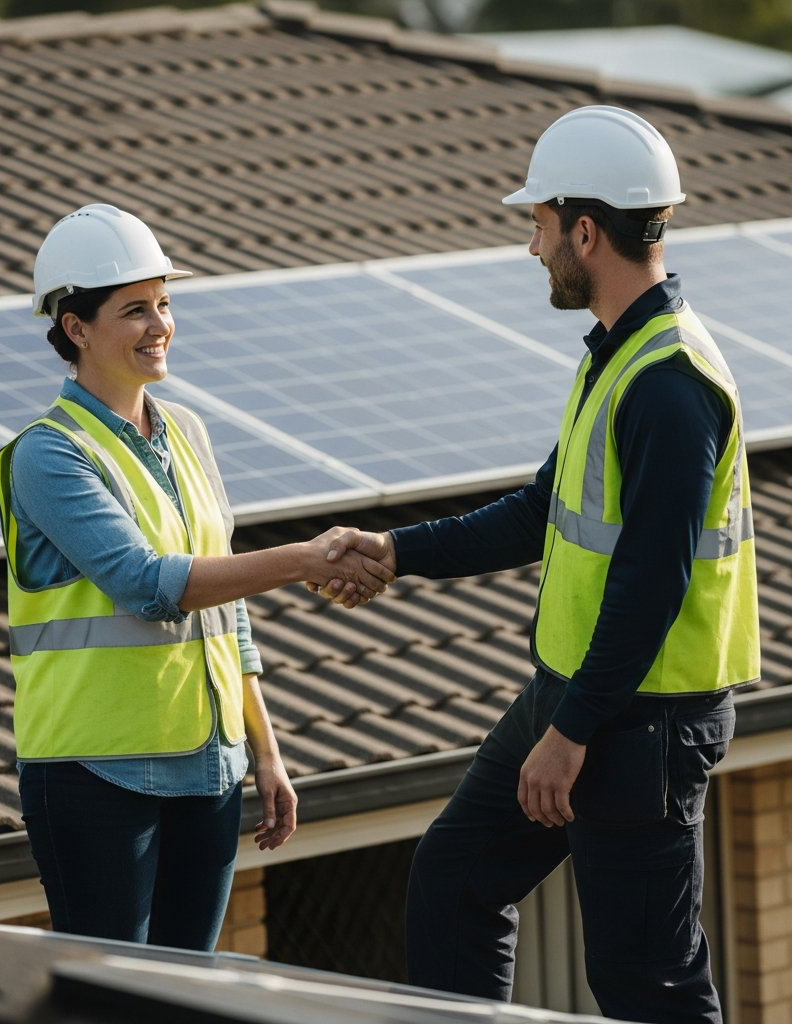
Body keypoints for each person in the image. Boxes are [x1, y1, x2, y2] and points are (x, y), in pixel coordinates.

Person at [319, 107, 758, 1024]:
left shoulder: (670, 386)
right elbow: (539, 514)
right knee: (455, 879)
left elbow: (651, 585)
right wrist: (398, 551)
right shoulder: (618, 356)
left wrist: (573, 735)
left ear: (585, 231)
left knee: (649, 988)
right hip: (575, 699)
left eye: (539, 224)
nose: (531, 246)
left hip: (640, 726)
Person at [0, 204, 393, 950]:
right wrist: (305, 558)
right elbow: (148, 582)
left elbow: (225, 608)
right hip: (95, 775)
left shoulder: (188, 432)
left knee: (186, 993)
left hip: (208, 765)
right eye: (134, 309)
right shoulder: (48, 456)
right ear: (75, 328)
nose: (159, 325)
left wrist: (265, 750)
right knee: (110, 1003)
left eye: (165, 304)